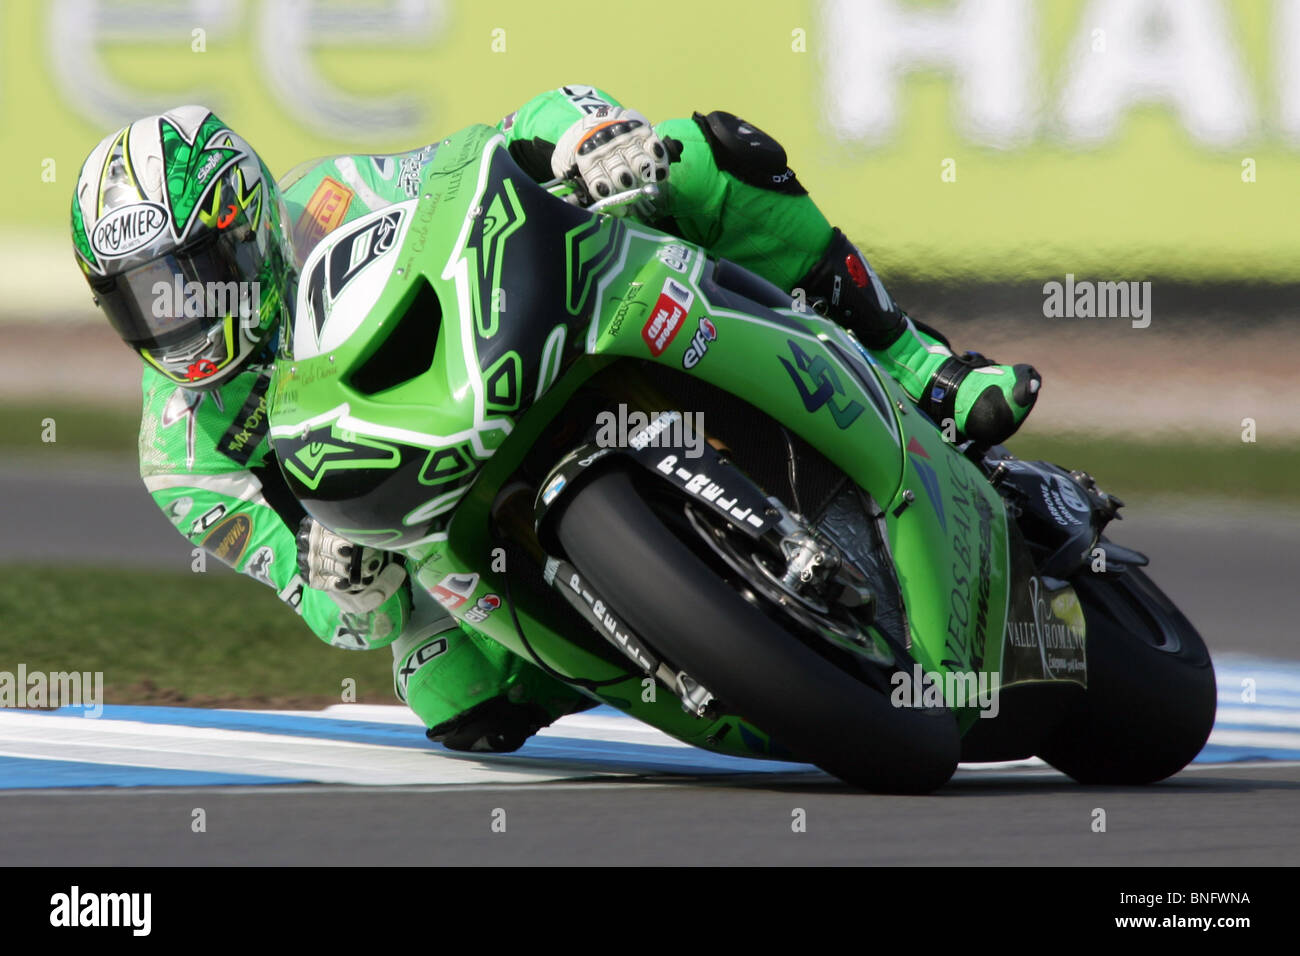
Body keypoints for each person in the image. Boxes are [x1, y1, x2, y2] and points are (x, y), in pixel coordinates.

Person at [70, 86, 1040, 752]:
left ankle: (916, 360)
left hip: (497, 365)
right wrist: (345, 580)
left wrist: (580, 139)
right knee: (453, 696)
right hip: (429, 529)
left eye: (189, 279)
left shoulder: (325, 201)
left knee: (698, 154)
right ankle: (675, 636)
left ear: (245, 226)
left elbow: (472, 160)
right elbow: (326, 607)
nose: (179, 318)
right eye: (141, 298)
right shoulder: (182, 454)